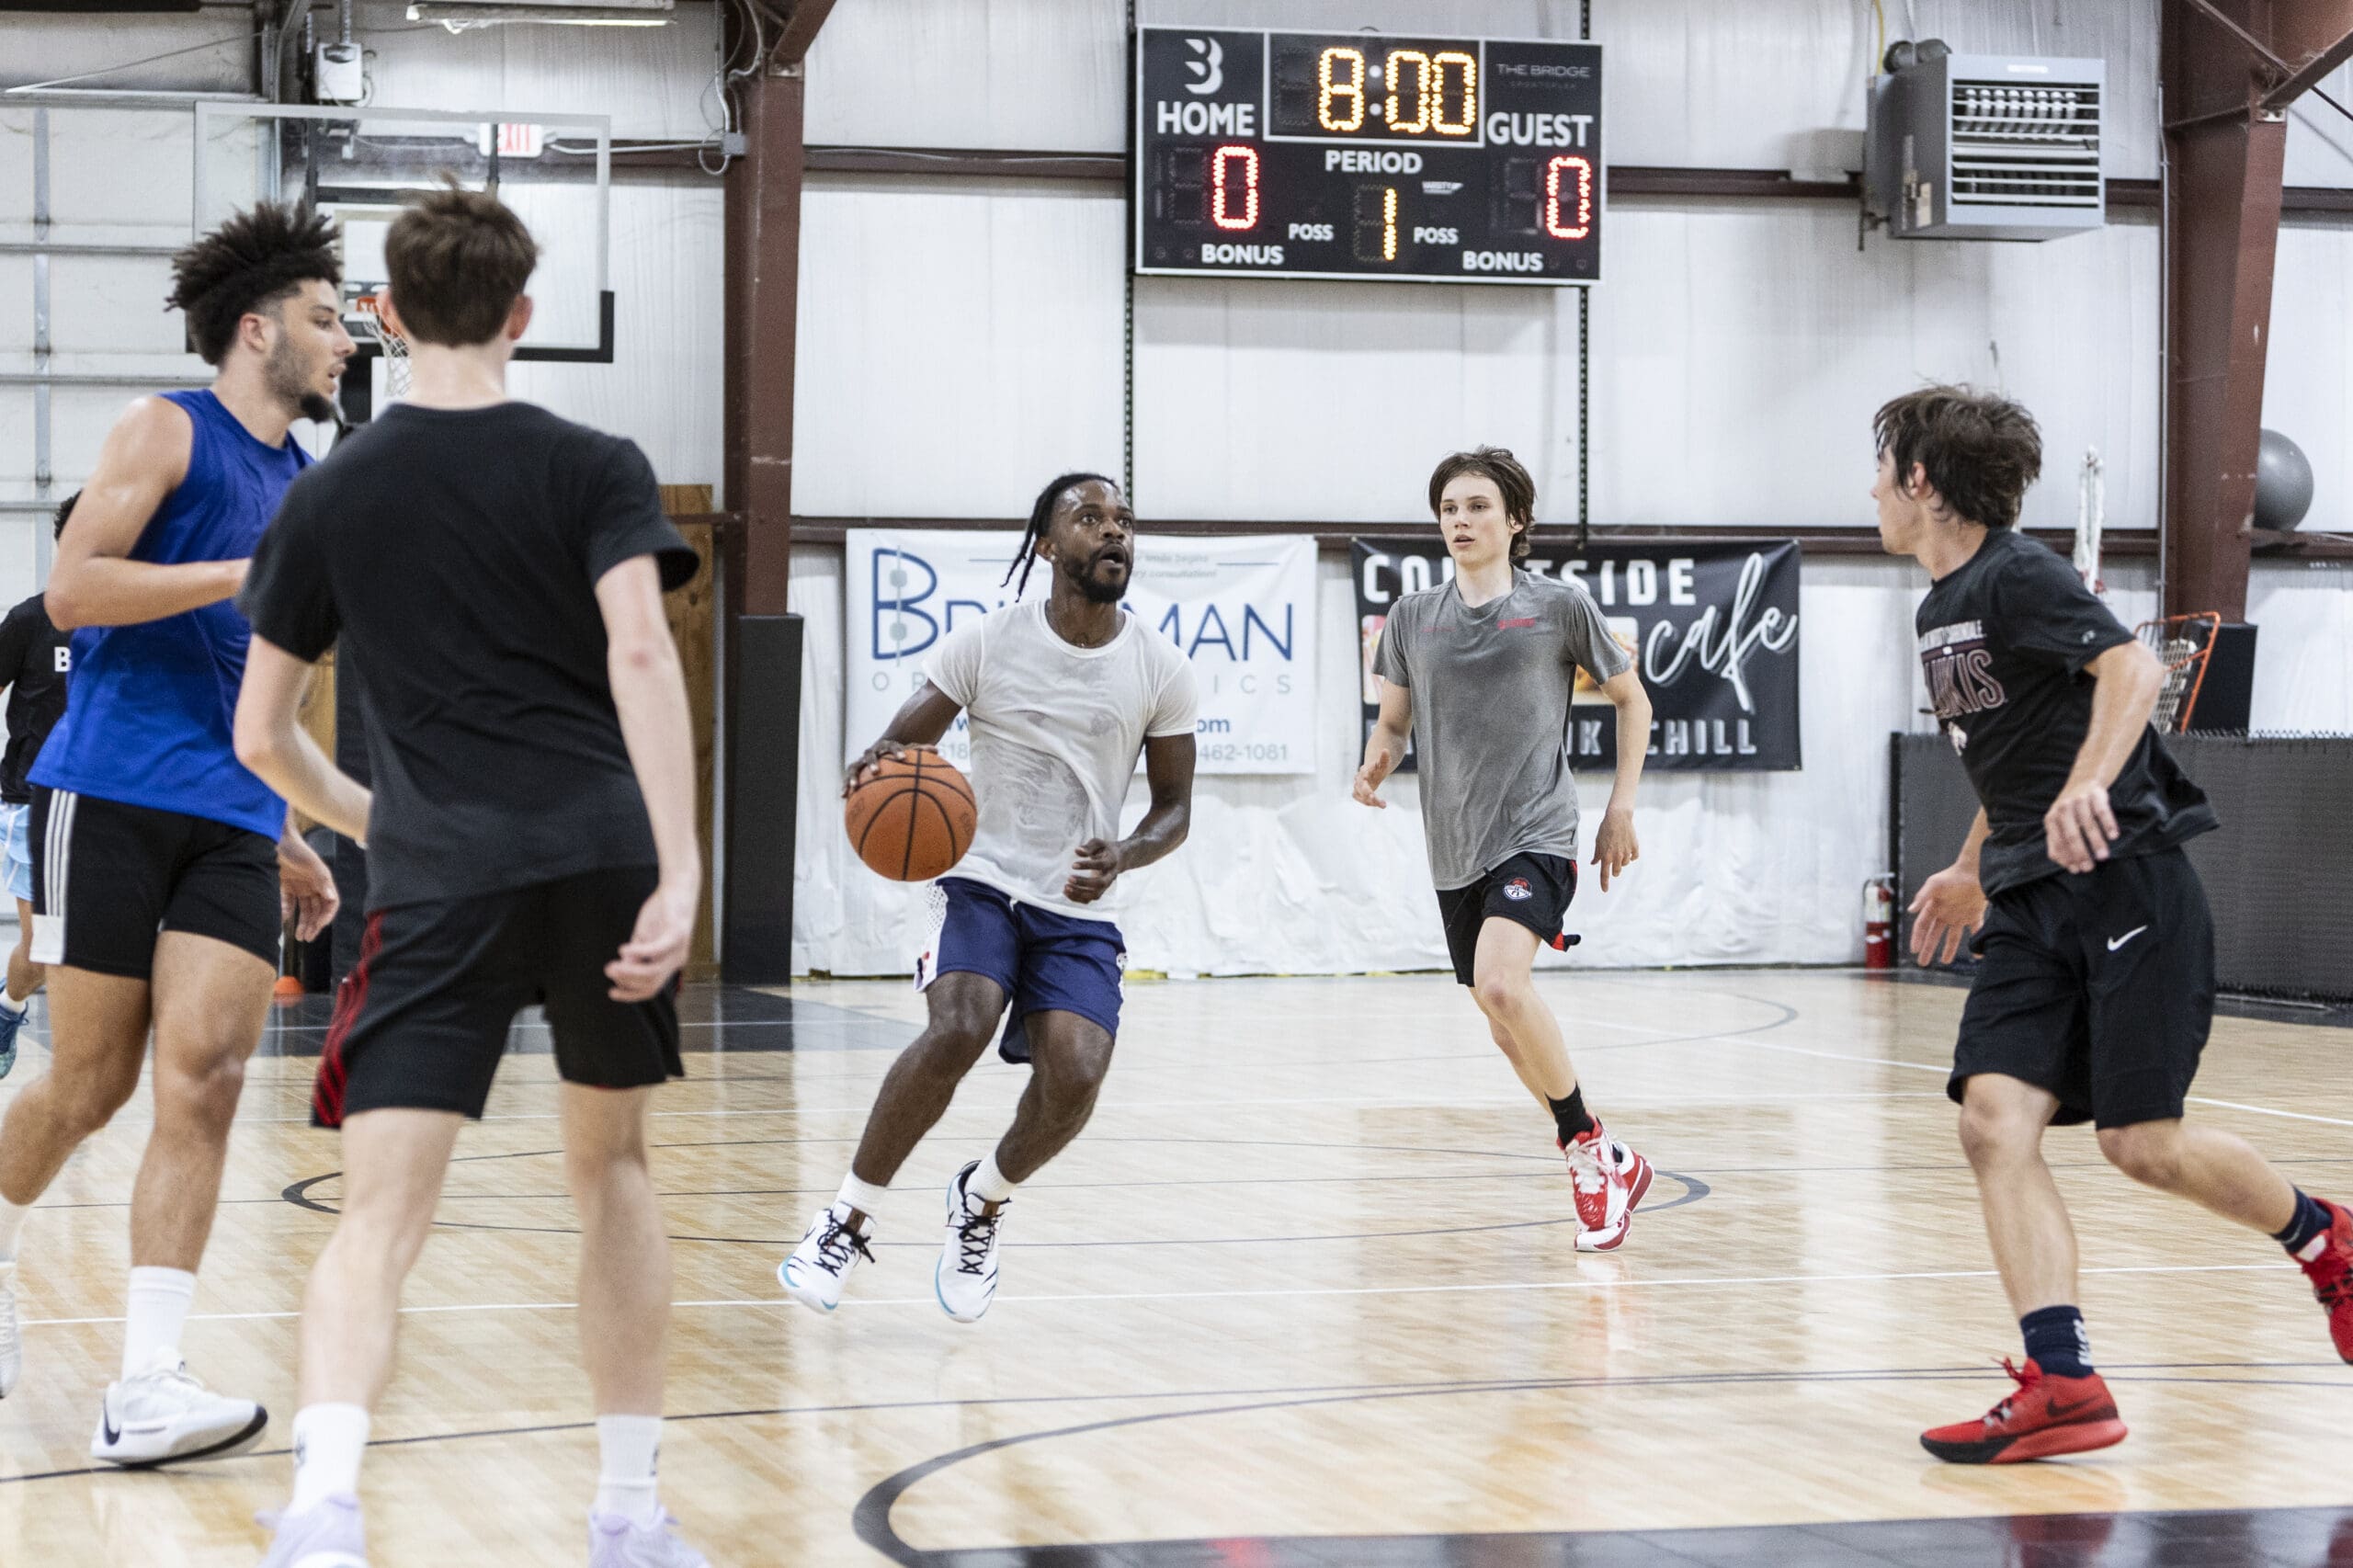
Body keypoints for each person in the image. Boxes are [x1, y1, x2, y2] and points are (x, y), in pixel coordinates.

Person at [233, 185, 706, 1565]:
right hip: (602, 854)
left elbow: (261, 734)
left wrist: (379, 822)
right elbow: (642, 653)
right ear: (524, 315)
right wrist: (681, 868)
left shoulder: (331, 491)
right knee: (613, 1173)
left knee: (378, 1213)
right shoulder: (596, 463)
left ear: (385, 314)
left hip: (439, 874)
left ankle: (325, 1505)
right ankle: (628, 1514)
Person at [1876, 385, 2352, 1464]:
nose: (1871, 492)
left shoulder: (2018, 573)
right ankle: (2064, 1381)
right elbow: (2016, 752)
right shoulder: (1937, 608)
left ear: (1919, 479)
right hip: (2027, 900)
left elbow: (2134, 667)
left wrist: (2090, 785)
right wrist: (1969, 865)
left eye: (1881, 470)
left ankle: (2326, 1238)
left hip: (2126, 882)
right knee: (1991, 1120)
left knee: (2141, 1145)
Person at [0, 206, 347, 1461]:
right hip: (106, 794)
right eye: (324, 318)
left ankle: (146, 1380)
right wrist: (236, 573)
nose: (344, 340)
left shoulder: (306, 488)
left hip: (232, 818)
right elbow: (72, 588)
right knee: (90, 1085)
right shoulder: (167, 429)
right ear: (256, 330)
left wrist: (290, 829)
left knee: (205, 1077)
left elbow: (263, 689)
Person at [779, 472, 1197, 1324]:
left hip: (1077, 901)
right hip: (980, 878)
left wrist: (1124, 854)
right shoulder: (988, 642)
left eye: (1123, 520)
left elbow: (1175, 809)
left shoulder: (1160, 666)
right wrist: (875, 768)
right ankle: (844, 1221)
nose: (1113, 532)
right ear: (1047, 545)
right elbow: (898, 746)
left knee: (1076, 1075)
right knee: (960, 1025)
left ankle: (982, 1200)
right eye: (1090, 518)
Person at [1353, 447, 1657, 1251]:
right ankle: (1607, 1151)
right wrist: (1378, 757)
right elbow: (1394, 721)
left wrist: (1621, 806)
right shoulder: (1412, 618)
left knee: (1500, 982)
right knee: (1500, 1019)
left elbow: (1633, 700)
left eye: (1478, 506)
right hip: (1455, 844)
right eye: (1450, 508)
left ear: (1515, 519)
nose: (1461, 520)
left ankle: (1586, 1150)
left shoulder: (1558, 606)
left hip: (1537, 830)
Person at [0, 493, 76, 1080]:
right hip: (33, 804)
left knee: (85, 943)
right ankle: (8, 1007)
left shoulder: (132, 628)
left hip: (106, 808)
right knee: (48, 943)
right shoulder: (30, 621)